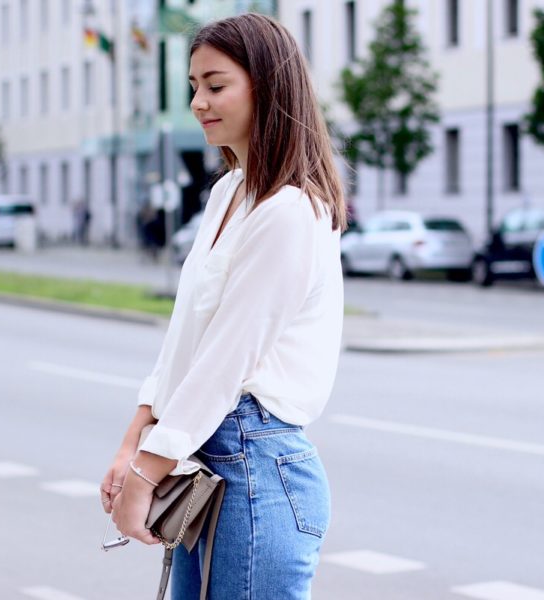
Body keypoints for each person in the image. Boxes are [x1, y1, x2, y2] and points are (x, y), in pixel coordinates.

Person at [100, 13, 347, 599]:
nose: (198, 102)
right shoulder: (228, 193)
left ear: (267, 85)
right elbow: (186, 339)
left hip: (256, 467)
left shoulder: (290, 212)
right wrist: (134, 439)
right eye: (193, 87)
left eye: (215, 85)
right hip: (210, 459)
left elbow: (227, 360)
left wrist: (146, 472)